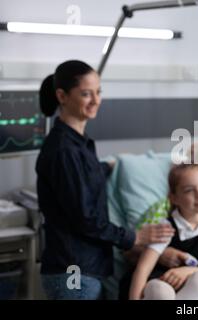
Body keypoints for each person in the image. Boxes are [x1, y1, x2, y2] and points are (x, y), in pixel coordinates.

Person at [36, 60, 175, 300]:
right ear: (62, 96)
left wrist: (112, 165)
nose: (96, 100)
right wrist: (135, 237)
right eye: (86, 94)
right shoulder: (64, 150)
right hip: (74, 273)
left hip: (86, 270)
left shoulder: (79, 144)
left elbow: (82, 178)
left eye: (98, 92)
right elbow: (85, 219)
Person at [129, 164, 198, 300]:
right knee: (161, 291)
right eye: (189, 190)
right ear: (174, 198)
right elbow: (143, 269)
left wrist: (185, 271)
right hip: (157, 284)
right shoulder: (166, 227)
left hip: (186, 287)